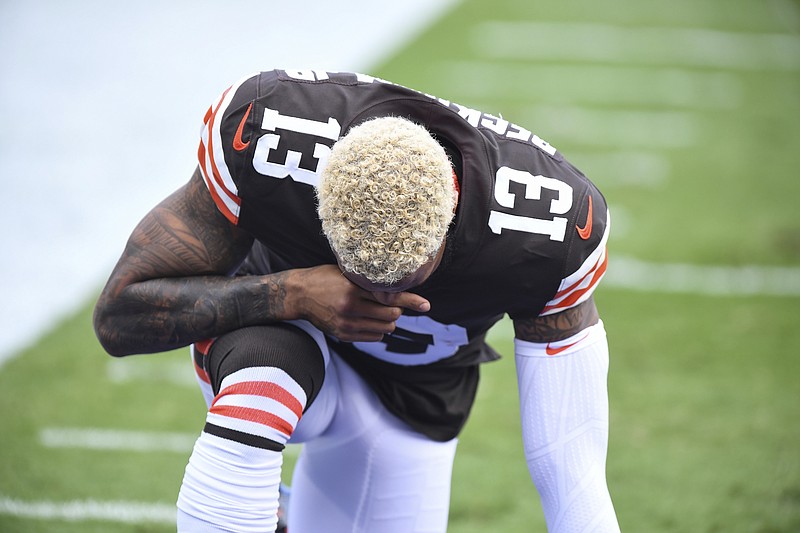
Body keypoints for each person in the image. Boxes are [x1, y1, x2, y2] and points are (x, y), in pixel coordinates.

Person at [94, 69, 620, 532]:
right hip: (277, 343)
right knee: (267, 370)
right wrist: (291, 292)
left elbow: (570, 470)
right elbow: (120, 315)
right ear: (319, 202)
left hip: (412, 405)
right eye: (360, 276)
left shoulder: (551, 228)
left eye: (402, 280)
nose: (381, 298)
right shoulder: (266, 131)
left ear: (451, 226)